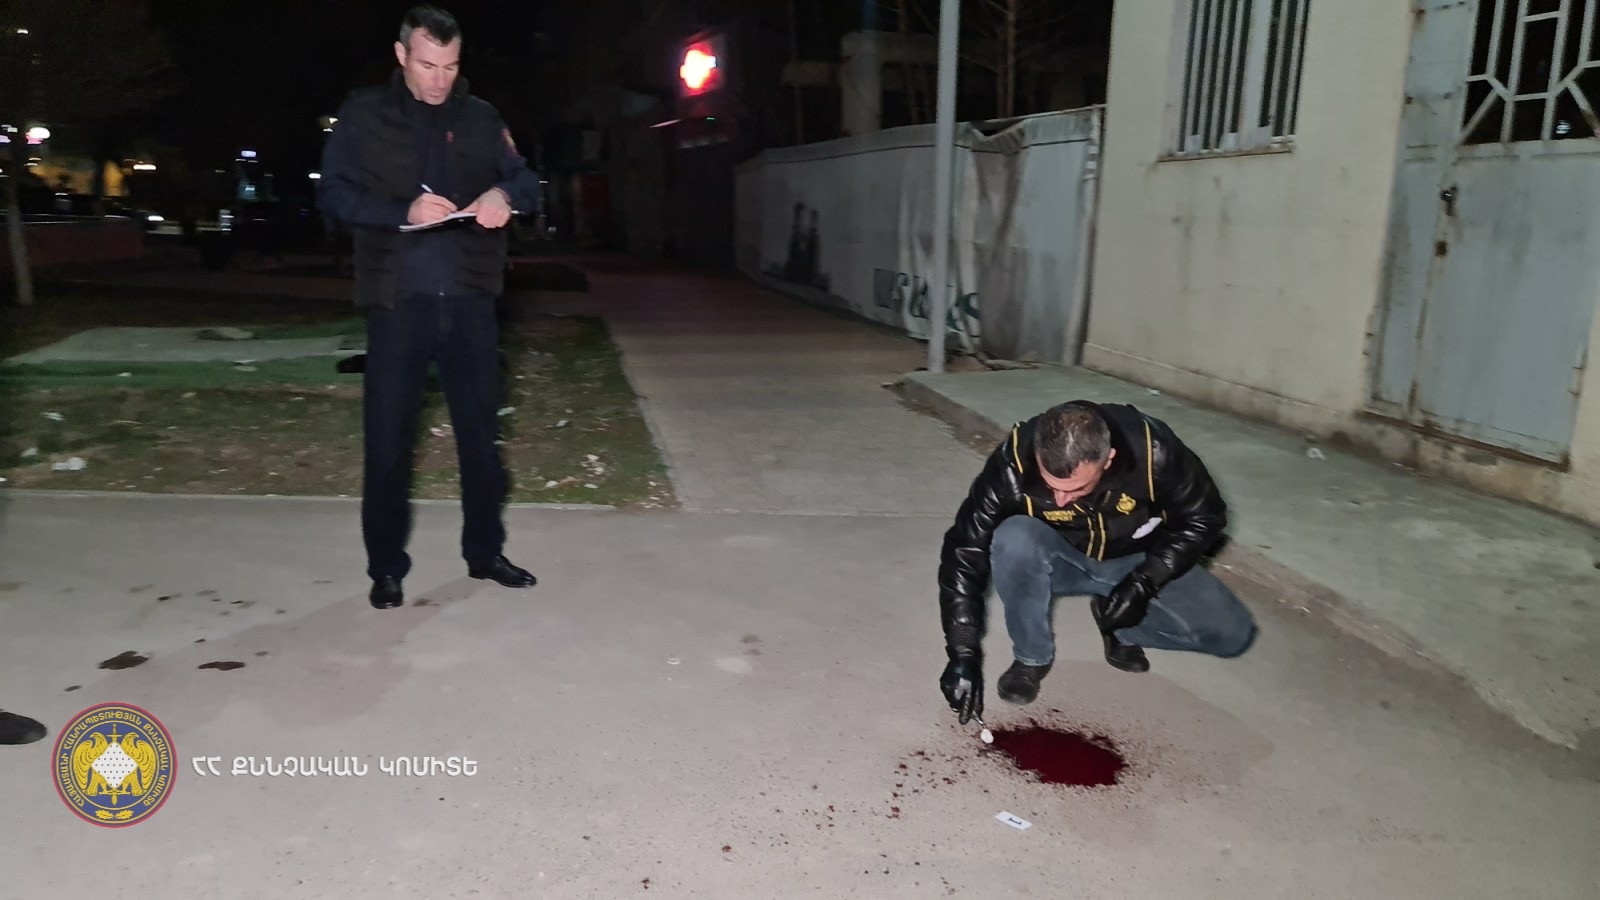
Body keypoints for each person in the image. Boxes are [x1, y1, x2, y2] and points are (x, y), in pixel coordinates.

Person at [317, 5, 543, 609]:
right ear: (401, 56)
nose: (440, 79)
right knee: (388, 444)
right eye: (427, 65)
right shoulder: (364, 114)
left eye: (450, 66)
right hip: (399, 302)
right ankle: (386, 567)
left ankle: (485, 553)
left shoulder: (481, 117)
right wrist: (402, 212)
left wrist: (503, 194)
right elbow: (332, 193)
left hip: (470, 300)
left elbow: (526, 181)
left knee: (481, 441)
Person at [937, 400, 1257, 723]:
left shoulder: (1155, 452)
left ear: (1109, 459)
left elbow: (1205, 518)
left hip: (1137, 559)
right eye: (1050, 486)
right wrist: (963, 651)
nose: (1060, 499)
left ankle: (1119, 626)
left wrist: (1146, 581)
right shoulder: (1012, 465)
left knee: (1232, 635)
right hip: (1062, 559)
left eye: (1075, 489)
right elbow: (964, 550)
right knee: (1013, 537)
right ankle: (1031, 657)